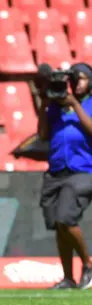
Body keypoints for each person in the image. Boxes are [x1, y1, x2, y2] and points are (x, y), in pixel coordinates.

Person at [37, 62, 92, 290]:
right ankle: (69, 278)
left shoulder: (88, 104)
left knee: (65, 219)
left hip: (83, 170)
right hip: (56, 171)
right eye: (74, 78)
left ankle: (88, 265)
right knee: (58, 225)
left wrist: (74, 106)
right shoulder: (57, 105)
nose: (77, 83)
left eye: (83, 78)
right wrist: (44, 104)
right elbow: (43, 134)